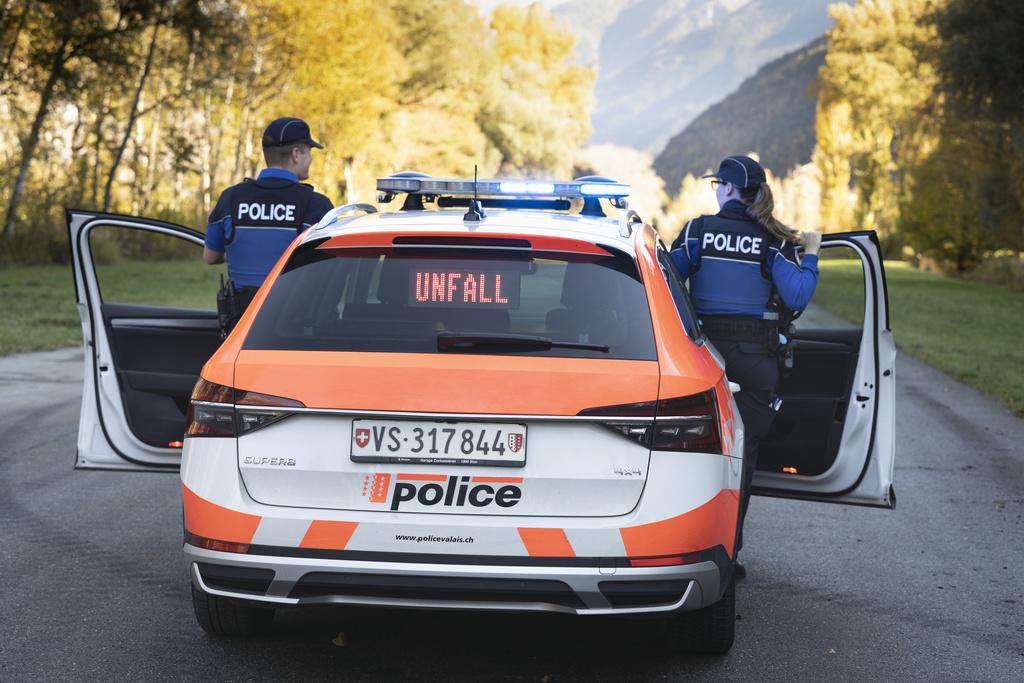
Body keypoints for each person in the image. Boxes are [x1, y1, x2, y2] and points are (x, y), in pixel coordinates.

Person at [670, 155, 821, 580]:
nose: (716, 191)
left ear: (730, 189)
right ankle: (728, 555)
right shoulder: (773, 241)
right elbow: (797, 297)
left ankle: (684, 549)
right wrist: (810, 254)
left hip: (702, 360)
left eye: (718, 184)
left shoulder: (698, 231)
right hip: (755, 364)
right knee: (742, 459)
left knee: (693, 457)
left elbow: (665, 278)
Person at [204, 116, 334, 332]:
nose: (310, 159)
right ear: (296, 154)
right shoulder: (316, 205)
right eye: (309, 151)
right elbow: (329, 268)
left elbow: (210, 256)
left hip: (240, 328)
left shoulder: (230, 199)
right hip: (294, 328)